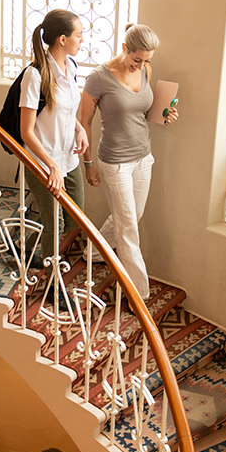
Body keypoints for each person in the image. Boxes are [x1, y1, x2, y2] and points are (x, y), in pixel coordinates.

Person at [80, 24, 178, 300]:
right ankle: (139, 296)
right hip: (115, 163)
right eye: (137, 60)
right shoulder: (98, 78)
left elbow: (141, 113)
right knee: (128, 230)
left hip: (143, 157)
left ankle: (93, 251)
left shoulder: (145, 71)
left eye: (147, 61)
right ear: (124, 48)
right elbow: (84, 122)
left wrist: (165, 115)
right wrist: (88, 163)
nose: (142, 66)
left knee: (133, 217)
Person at [19, 9, 89, 263]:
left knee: (75, 217)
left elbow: (66, 110)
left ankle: (25, 246)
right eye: (79, 35)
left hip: (68, 159)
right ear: (62, 39)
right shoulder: (35, 75)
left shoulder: (71, 67)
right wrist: (51, 166)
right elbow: (26, 131)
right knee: (55, 226)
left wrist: (80, 130)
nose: (82, 40)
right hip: (43, 162)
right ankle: (52, 280)